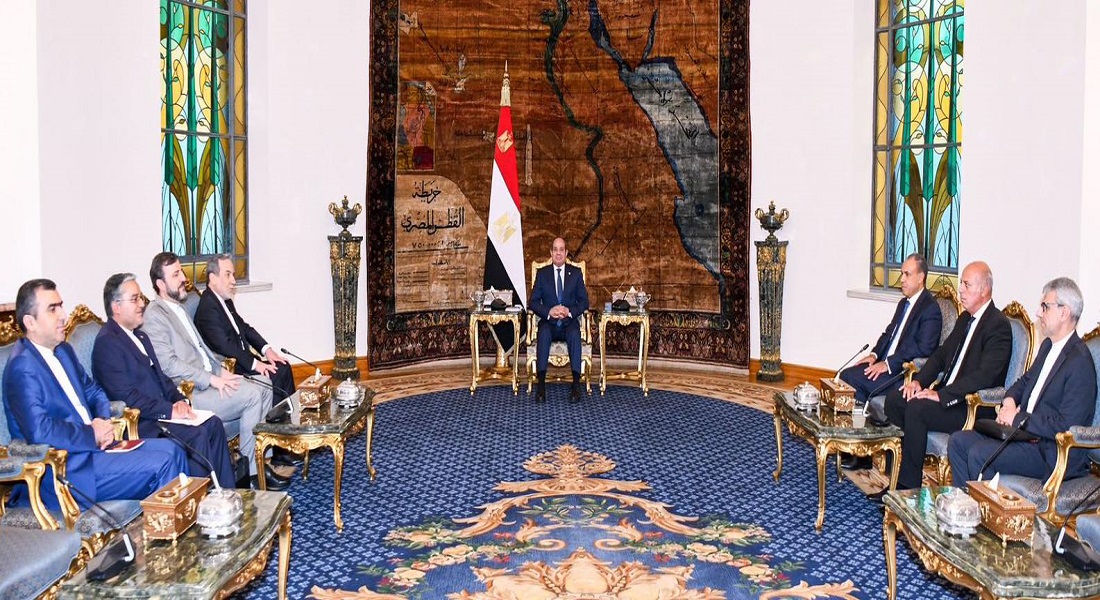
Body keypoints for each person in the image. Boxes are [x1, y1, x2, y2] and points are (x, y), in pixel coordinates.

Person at [2, 279, 187, 510]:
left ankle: (179, 525)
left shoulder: (63, 351)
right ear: (30, 322)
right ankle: (163, 530)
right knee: (163, 462)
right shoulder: (22, 366)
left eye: (61, 306)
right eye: (52, 309)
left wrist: (101, 421)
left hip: (98, 449)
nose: (63, 315)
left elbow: (94, 391)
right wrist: (92, 434)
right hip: (70, 468)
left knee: (174, 449)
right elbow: (40, 430)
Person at [140, 252, 288, 490]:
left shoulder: (179, 308)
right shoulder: (155, 316)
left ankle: (260, 462)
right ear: (160, 284)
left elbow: (203, 353)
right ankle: (250, 476)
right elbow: (169, 365)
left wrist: (221, 372)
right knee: (252, 395)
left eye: (181, 272)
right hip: (192, 392)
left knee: (264, 384)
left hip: (210, 379)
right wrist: (211, 378)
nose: (183, 278)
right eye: (176, 274)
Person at [873, 261, 1013, 502]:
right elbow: (940, 356)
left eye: (967, 285)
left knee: (917, 410)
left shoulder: (998, 325)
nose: (961, 290)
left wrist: (941, 395)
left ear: (984, 290)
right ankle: (896, 478)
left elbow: (985, 376)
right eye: (961, 284)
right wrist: (918, 382)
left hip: (969, 406)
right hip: (948, 396)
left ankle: (907, 490)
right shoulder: (965, 319)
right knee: (897, 398)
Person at [92, 273, 239, 489]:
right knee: (197, 435)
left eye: (141, 298)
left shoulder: (140, 336)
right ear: (116, 307)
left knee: (213, 424)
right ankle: (199, 503)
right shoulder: (107, 344)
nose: (142, 304)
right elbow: (127, 397)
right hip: (142, 422)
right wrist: (169, 411)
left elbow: (162, 378)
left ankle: (226, 495)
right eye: (135, 299)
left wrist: (179, 401)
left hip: (162, 414)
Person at [948, 277, 1097, 487]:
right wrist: (1009, 400)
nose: (1038, 313)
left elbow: (1066, 425)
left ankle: (985, 507)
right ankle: (966, 504)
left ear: (1064, 312)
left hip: (1050, 451)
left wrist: (1018, 418)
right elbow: (1023, 382)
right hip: (1024, 437)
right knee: (958, 441)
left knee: (980, 454)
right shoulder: (1048, 346)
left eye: (1045, 307)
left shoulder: (1079, 362)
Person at [839, 253, 941, 470]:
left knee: (851, 380)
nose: (901, 279)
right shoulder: (904, 303)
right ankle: (855, 447)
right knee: (847, 375)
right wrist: (875, 355)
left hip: (901, 374)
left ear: (921, 277)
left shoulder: (930, 309)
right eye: (901, 273)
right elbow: (889, 334)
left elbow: (924, 349)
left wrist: (888, 364)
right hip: (885, 365)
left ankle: (861, 452)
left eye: (907, 274)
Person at [194, 254, 295, 404]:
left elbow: (244, 328)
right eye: (228, 275)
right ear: (213, 278)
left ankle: (288, 414)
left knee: (283, 366)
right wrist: (256, 364)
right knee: (276, 375)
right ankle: (273, 417)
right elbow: (225, 346)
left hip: (245, 361)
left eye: (233, 275)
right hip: (233, 368)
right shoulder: (207, 308)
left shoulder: (224, 301)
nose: (233, 281)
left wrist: (267, 350)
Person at [530, 237, 590, 402]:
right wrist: (549, 311)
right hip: (549, 322)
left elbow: (584, 302)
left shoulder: (575, 273)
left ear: (566, 253)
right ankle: (541, 385)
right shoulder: (542, 274)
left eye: (561, 249)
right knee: (543, 332)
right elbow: (533, 302)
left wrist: (570, 312)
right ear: (551, 252)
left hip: (568, 323)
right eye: (555, 249)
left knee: (575, 333)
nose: (558, 253)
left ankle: (576, 385)